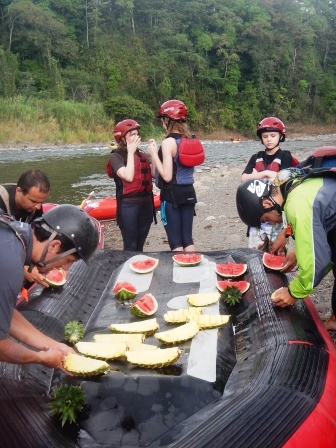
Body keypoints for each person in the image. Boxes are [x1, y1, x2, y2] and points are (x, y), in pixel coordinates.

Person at [0, 204, 99, 371]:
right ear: (53, 245)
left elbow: (4, 313)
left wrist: (52, 345)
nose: (66, 269)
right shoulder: (9, 263)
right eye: (69, 261)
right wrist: (40, 358)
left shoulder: (13, 235)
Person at [236, 168, 336, 331]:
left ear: (267, 203)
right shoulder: (284, 180)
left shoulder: (296, 205)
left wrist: (293, 293)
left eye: (266, 219)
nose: (272, 223)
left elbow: (318, 261)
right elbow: (316, 215)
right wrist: (288, 234)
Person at [241, 117, 297, 252]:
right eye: (265, 136)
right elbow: (243, 178)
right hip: (256, 213)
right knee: (255, 252)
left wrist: (259, 173)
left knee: (276, 252)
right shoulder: (256, 157)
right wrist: (265, 174)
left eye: (273, 135)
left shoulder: (285, 157)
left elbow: (284, 177)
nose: (269, 139)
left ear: (280, 136)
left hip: (277, 213)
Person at [148, 99, 197, 252]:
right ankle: (195, 272)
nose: (162, 124)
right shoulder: (189, 140)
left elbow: (167, 176)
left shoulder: (169, 142)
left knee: (176, 242)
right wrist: (156, 155)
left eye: (163, 120)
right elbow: (156, 173)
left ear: (168, 120)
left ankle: (181, 275)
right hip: (189, 194)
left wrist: (153, 155)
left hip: (171, 197)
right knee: (187, 240)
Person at [108, 119, 156, 251]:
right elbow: (128, 176)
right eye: (131, 135)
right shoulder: (116, 156)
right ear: (122, 138)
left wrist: (154, 154)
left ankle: (140, 269)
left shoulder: (142, 154)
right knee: (130, 246)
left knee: (140, 245)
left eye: (136, 134)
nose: (136, 137)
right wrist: (130, 152)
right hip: (129, 206)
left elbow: (154, 174)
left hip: (146, 204)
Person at [0, 169, 51, 287]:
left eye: (41, 202)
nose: (38, 207)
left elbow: (37, 237)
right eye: (33, 201)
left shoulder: (35, 207)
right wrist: (21, 269)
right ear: (18, 191)